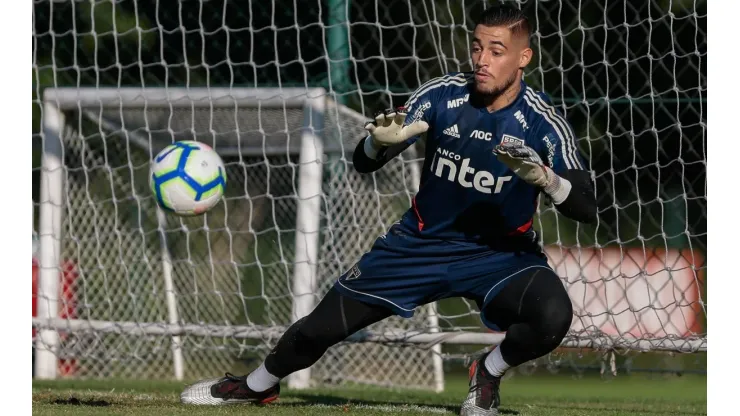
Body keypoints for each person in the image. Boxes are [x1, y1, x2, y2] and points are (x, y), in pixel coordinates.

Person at [180, 4, 596, 415]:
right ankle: (255, 385)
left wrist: (547, 180)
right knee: (320, 329)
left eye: (496, 50)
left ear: (524, 57)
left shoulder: (543, 122)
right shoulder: (442, 94)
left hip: (499, 254)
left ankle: (487, 371)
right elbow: (366, 162)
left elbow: (586, 206)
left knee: (552, 316)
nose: (482, 60)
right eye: (476, 47)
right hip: (417, 245)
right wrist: (377, 143)